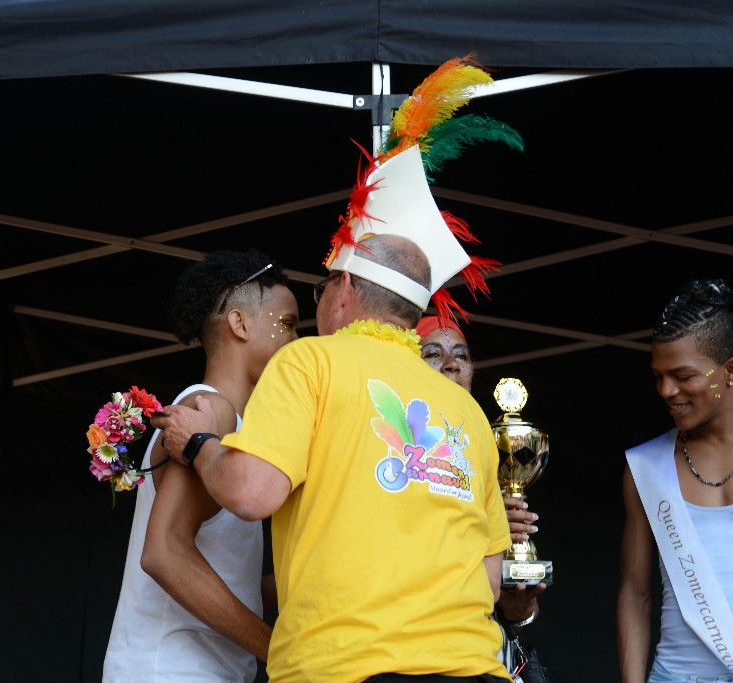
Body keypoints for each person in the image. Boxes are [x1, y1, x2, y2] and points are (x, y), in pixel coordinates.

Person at [152, 55, 526, 681]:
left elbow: (251, 491)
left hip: (344, 668)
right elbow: (489, 580)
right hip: (471, 668)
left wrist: (200, 447)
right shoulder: (463, 409)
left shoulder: (311, 361)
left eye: (323, 287)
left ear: (345, 289)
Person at [102, 249, 299, 682]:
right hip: (171, 669)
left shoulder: (225, 417)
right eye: (287, 324)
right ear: (240, 324)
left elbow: (231, 578)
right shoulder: (212, 409)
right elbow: (164, 554)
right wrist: (279, 650)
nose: (296, 341)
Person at [617, 278, 733, 683]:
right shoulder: (646, 467)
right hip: (675, 675)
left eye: (683, 376)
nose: (667, 390)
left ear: (731, 372)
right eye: (658, 376)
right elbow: (635, 594)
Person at [416, 315, 544, 627]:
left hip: (474, 649)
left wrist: (519, 600)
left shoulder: (488, 448)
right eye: (433, 354)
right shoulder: (391, 449)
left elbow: (518, 614)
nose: (451, 364)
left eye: (461, 355)